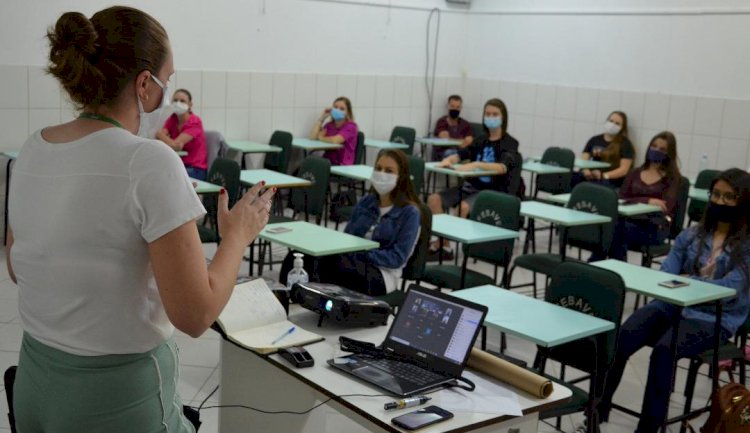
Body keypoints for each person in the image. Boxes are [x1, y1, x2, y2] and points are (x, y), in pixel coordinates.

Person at [7, 7, 275, 432]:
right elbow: (194, 314)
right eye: (167, 81)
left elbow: (18, 267)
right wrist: (237, 237)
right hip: (113, 402)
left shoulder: (33, 149)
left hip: (35, 385)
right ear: (145, 85)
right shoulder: (148, 161)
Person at [592, 168, 750, 433]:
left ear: (743, 202)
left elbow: (729, 290)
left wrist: (687, 282)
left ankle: (648, 429)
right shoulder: (694, 234)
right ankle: (596, 411)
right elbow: (666, 273)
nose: (720, 202)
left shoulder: (746, 245)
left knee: (664, 351)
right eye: (716, 195)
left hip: (715, 318)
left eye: (729, 197)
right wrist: (688, 285)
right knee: (623, 336)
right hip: (672, 304)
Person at [281, 149, 425, 296]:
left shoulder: (409, 213)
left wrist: (363, 254)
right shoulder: (366, 202)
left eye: (389, 171)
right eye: (378, 169)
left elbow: (397, 258)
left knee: (333, 265)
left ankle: (316, 298)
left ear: (401, 177)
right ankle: (285, 298)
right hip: (352, 261)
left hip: (383, 274)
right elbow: (348, 238)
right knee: (299, 256)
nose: (382, 174)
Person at [425, 98, 521, 261]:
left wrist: (477, 164)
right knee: (433, 200)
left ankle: (443, 245)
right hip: (471, 186)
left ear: (503, 117)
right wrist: (450, 160)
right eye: (487, 114)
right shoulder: (480, 140)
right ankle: (445, 246)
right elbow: (463, 153)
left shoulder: (510, 143)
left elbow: (502, 167)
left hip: (491, 192)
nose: (491, 117)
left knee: (463, 207)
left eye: (495, 114)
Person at [593, 131, 682, 261]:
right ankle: (608, 267)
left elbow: (665, 207)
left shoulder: (673, 179)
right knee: (612, 228)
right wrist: (648, 200)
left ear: (669, 153)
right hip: (629, 221)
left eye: (662, 149)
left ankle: (601, 264)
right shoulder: (635, 173)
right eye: (654, 146)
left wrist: (640, 201)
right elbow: (621, 198)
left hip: (654, 227)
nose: (656, 150)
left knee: (615, 230)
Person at [156, 88, 208, 180]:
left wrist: (163, 137)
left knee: (166, 177)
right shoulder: (173, 119)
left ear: (190, 105)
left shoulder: (195, 122)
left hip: (196, 169)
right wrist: (166, 139)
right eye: (175, 100)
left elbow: (174, 145)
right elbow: (160, 134)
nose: (178, 103)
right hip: (180, 165)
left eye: (182, 101)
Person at [575, 110, 635, 189]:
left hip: (609, 180)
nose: (613, 125)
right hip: (590, 176)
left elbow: (624, 170)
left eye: (617, 124)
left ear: (622, 128)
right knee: (573, 177)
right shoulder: (594, 140)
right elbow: (583, 160)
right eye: (611, 121)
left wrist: (603, 175)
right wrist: (586, 171)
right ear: (606, 122)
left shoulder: (625, 144)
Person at [309, 96, 358, 166]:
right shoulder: (329, 125)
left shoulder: (351, 126)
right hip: (327, 161)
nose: (338, 110)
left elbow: (335, 140)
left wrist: (321, 138)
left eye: (342, 109)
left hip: (342, 164)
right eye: (335, 107)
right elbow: (312, 137)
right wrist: (322, 118)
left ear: (348, 112)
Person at [432, 94, 474, 160]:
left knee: (468, 154)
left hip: (461, 153)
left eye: (458, 107)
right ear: (448, 106)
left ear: (461, 108)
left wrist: (455, 141)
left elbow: (469, 140)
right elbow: (445, 138)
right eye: (452, 106)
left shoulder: (465, 124)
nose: (455, 109)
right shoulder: (442, 122)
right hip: (444, 153)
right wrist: (461, 141)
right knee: (451, 153)